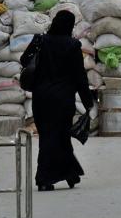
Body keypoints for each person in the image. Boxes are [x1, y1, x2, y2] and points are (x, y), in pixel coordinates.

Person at [21, 10, 97, 191]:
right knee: (59, 137)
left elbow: (24, 60)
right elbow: (80, 78)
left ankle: (70, 174)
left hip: (41, 99)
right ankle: (44, 178)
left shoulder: (40, 40)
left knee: (50, 136)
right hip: (63, 100)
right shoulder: (72, 46)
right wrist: (88, 102)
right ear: (70, 26)